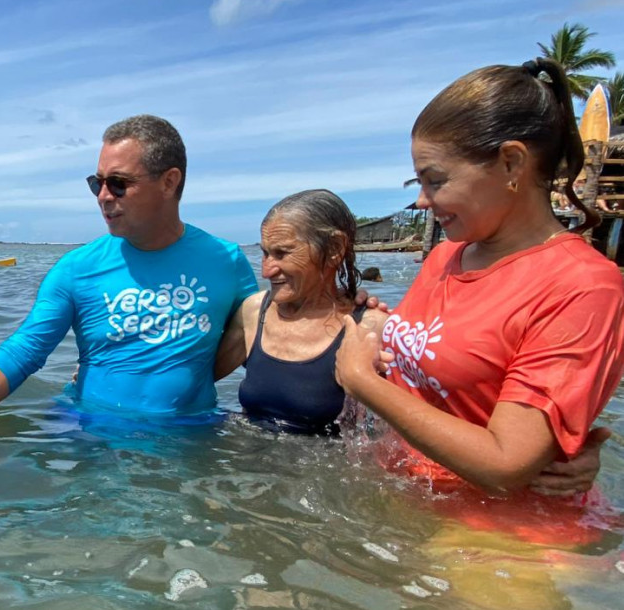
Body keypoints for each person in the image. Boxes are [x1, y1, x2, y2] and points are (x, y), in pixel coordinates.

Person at [335, 59, 624, 498]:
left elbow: (505, 463)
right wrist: (377, 330)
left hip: (497, 538)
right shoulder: (447, 255)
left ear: (511, 162)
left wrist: (362, 382)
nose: (421, 201)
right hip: (411, 501)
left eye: (435, 180)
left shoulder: (583, 286)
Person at [0, 114, 260, 445]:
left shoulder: (225, 260)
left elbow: (265, 346)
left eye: (119, 183)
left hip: (190, 430)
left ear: (169, 182)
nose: (103, 196)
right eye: (97, 183)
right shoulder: (78, 267)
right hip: (91, 431)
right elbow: (24, 348)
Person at [216, 190, 388, 435]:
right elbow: (194, 379)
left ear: (334, 249)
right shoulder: (254, 312)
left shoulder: (369, 327)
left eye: (282, 253)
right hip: (243, 466)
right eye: (265, 253)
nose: (266, 271)